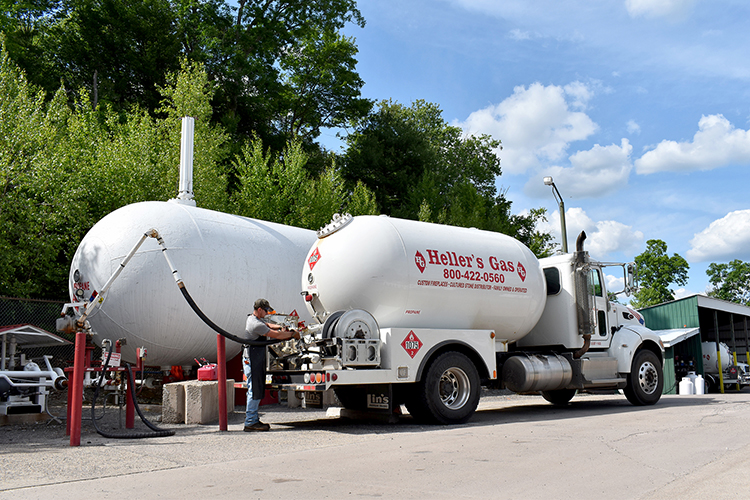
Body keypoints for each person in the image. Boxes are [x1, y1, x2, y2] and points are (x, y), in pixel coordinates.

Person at [243, 298, 298, 431]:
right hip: (252, 359)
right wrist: (292, 334)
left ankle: (253, 419)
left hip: (252, 358)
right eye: (266, 311)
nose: (267, 313)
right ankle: (250, 421)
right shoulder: (255, 325)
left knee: (255, 388)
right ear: (259, 309)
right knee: (254, 389)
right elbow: (277, 336)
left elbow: (268, 325)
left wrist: (281, 326)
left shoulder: (254, 319)